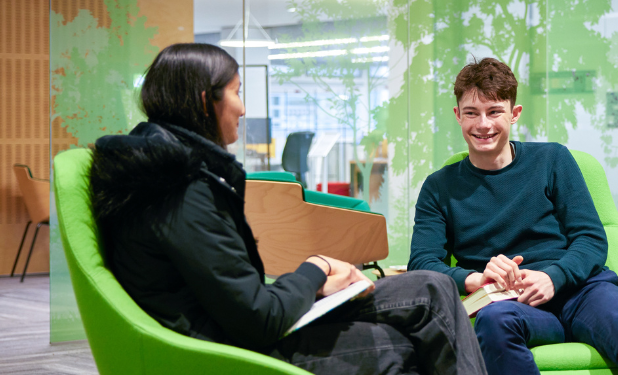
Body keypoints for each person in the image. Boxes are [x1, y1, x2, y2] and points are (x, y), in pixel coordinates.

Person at [89, 43, 485, 375]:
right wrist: (316, 268)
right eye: (237, 92)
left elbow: (237, 295)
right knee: (401, 342)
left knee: (431, 287)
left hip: (239, 323)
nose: (243, 109)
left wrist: (314, 284)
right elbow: (259, 318)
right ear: (203, 100)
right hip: (231, 348)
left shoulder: (171, 175)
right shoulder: (176, 190)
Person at [407, 57, 618, 375]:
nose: (483, 125)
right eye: (471, 113)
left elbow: (590, 239)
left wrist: (553, 277)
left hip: (582, 292)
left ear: (514, 114)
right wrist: (477, 280)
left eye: (494, 112)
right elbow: (422, 265)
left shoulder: (552, 159)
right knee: (493, 322)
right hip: (510, 302)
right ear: (458, 116)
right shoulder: (439, 187)